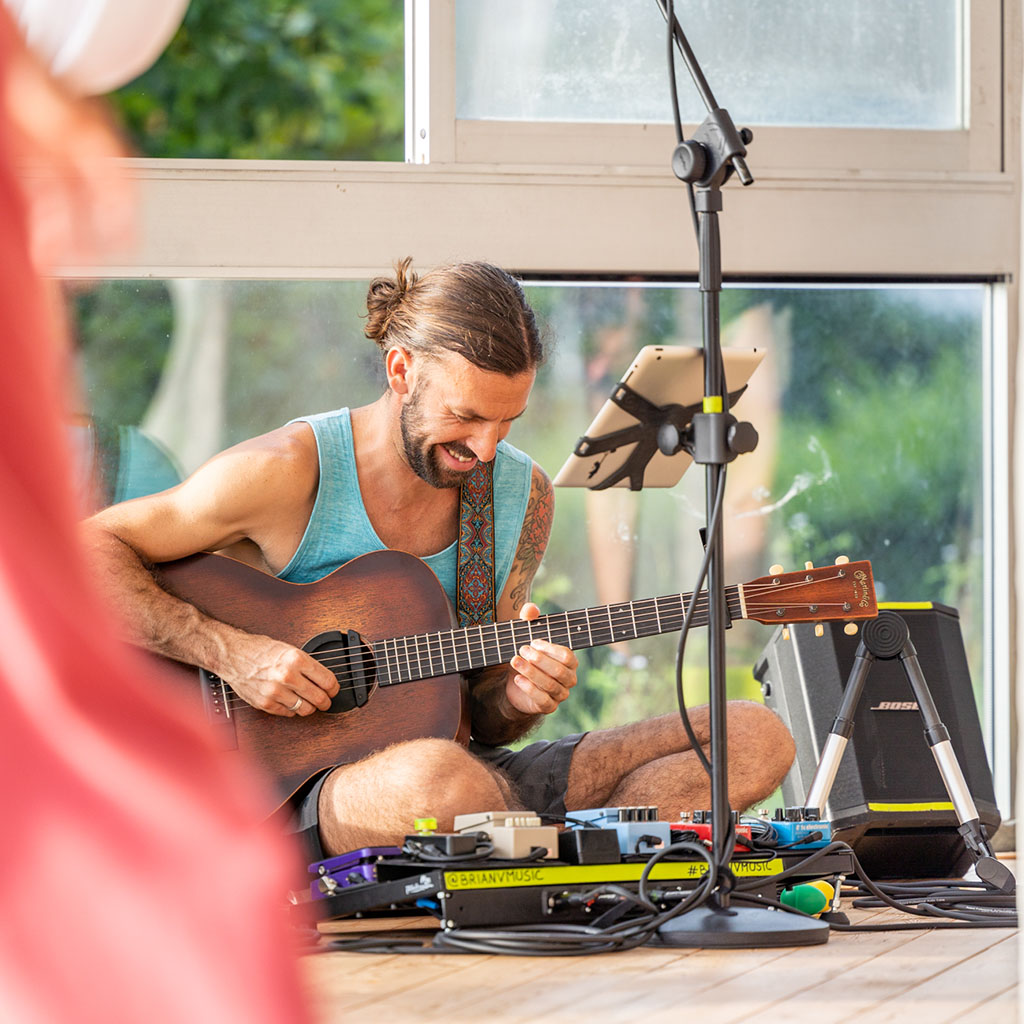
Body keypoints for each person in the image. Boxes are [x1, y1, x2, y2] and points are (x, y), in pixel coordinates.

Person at [85, 257, 796, 865]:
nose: (485, 448)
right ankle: (536, 845)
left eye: (506, 421)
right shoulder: (285, 471)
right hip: (295, 793)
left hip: (467, 773)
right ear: (401, 370)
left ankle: (563, 863)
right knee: (440, 784)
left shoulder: (520, 496)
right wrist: (232, 654)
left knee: (754, 736)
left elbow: (482, 719)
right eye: (465, 417)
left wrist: (517, 698)